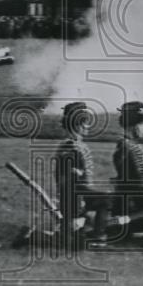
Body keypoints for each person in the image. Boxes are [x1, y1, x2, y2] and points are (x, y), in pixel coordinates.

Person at [53, 102, 108, 241]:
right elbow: (70, 183)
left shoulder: (73, 145)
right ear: (77, 125)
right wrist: (80, 205)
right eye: (85, 123)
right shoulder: (72, 147)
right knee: (108, 199)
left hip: (77, 195)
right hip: (74, 198)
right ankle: (98, 235)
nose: (87, 127)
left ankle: (88, 228)